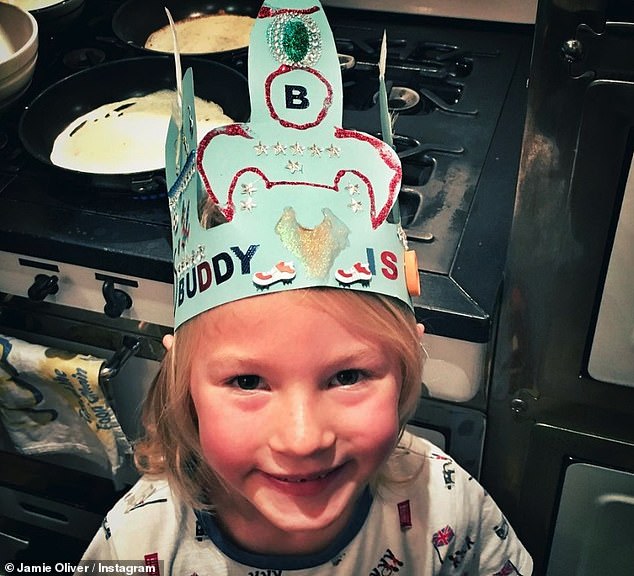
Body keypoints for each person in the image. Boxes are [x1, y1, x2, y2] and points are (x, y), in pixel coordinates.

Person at [79, 0, 533, 573]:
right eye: (247, 381)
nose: (301, 439)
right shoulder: (139, 542)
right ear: (182, 377)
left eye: (348, 376)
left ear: (408, 364)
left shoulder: (443, 502)